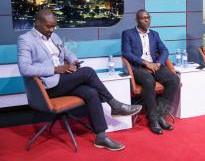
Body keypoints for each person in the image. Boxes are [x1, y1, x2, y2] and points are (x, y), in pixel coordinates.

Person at [17, 8, 142, 151]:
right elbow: (25, 68)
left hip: (62, 80)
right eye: (48, 26)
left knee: (91, 93)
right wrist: (56, 69)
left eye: (54, 26)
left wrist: (74, 61)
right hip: (47, 87)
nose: (52, 29)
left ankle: (101, 137)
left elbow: (66, 52)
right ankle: (115, 105)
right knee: (88, 72)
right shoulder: (25, 40)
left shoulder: (54, 37)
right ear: (38, 22)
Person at [121, 9, 179, 134]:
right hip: (139, 67)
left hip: (155, 65)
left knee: (174, 79)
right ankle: (153, 119)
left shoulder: (154, 34)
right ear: (137, 20)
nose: (147, 20)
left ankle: (161, 115)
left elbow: (164, 50)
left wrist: (159, 63)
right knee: (149, 80)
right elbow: (126, 53)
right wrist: (145, 63)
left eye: (148, 17)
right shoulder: (128, 34)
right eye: (143, 18)